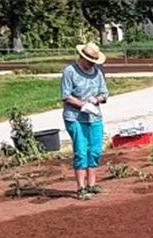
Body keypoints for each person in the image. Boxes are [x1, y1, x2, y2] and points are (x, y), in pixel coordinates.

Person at [61, 42, 109, 200]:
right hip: (75, 117)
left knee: (94, 150)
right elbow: (66, 96)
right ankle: (81, 187)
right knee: (81, 151)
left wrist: (96, 99)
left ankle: (92, 184)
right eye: (89, 61)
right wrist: (83, 105)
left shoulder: (98, 73)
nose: (91, 64)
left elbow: (104, 93)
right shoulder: (70, 72)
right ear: (82, 57)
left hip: (94, 117)